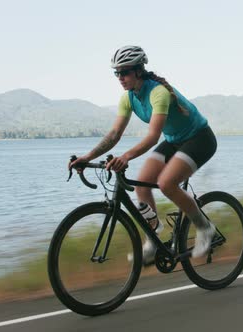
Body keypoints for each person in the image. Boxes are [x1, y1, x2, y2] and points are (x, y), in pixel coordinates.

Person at [70, 45, 217, 262]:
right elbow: (113, 135)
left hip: (199, 139)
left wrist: (126, 157)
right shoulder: (128, 98)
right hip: (175, 140)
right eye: (117, 73)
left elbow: (152, 136)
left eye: (125, 72)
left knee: (167, 183)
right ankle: (153, 239)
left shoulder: (158, 93)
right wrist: (87, 157)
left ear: (139, 70)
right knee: (141, 185)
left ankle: (205, 228)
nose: (120, 77)